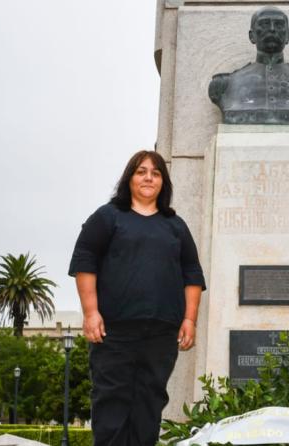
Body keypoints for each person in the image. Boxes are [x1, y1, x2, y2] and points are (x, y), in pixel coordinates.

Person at [68, 150, 206, 446]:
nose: (148, 178)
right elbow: (85, 261)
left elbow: (192, 274)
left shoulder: (175, 226)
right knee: (111, 405)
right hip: (114, 332)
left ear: (163, 182)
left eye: (155, 173)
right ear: (129, 178)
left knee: (149, 405)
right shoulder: (108, 217)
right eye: (141, 171)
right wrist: (91, 312)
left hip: (160, 334)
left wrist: (189, 319)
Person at [208, 6, 289, 125]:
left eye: (279, 24)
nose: (272, 29)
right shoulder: (225, 85)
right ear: (252, 36)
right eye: (265, 24)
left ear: (288, 36)